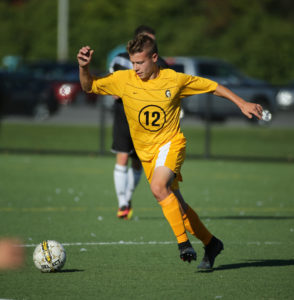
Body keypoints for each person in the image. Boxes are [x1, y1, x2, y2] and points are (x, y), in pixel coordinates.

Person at [77, 35, 263, 269]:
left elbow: (212, 86)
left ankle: (183, 244)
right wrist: (83, 67)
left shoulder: (174, 80)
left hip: (170, 144)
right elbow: (88, 86)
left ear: (154, 58)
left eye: (141, 63)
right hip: (146, 154)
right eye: (133, 63)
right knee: (179, 208)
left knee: (158, 188)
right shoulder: (123, 79)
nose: (136, 68)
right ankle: (211, 243)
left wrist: (242, 103)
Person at [108, 25, 169, 220]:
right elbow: (114, 90)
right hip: (124, 117)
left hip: (146, 120)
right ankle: (122, 204)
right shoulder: (120, 59)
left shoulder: (162, 64)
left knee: (137, 162)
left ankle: (127, 197)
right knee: (123, 157)